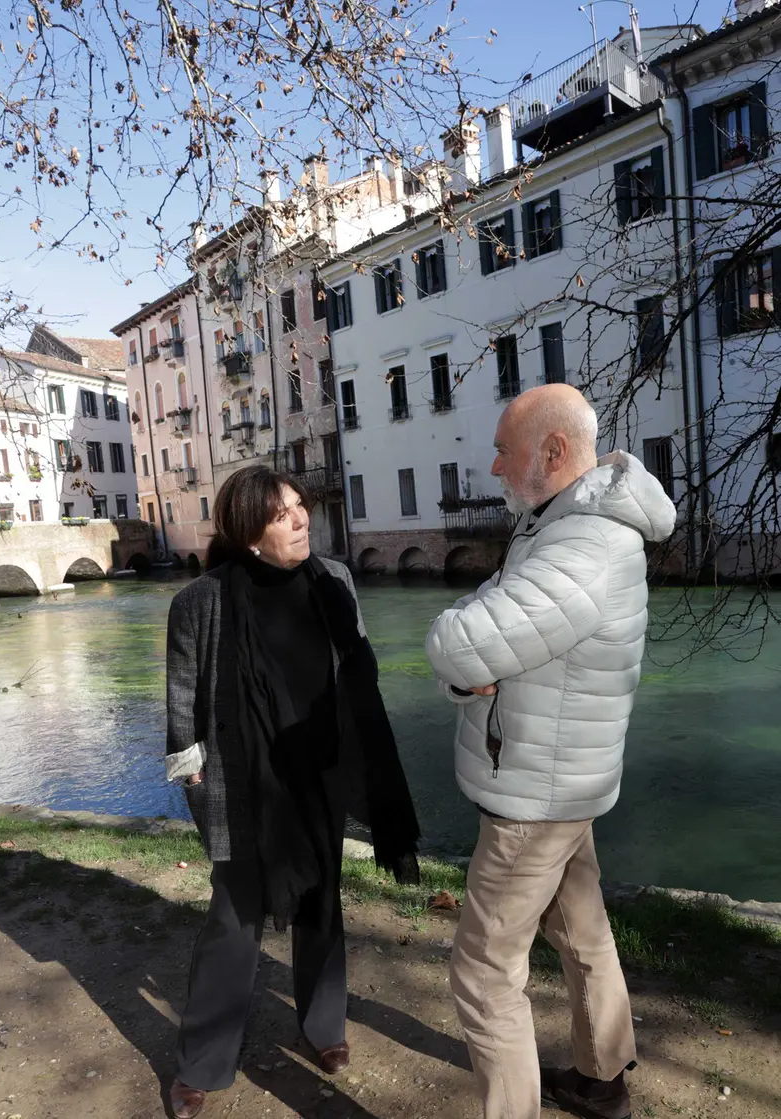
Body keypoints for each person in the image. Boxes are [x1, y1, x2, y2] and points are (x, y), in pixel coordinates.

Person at [425, 384, 676, 1119]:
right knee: (581, 929)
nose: (496, 466)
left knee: (483, 967)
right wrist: (476, 667)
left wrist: (468, 664)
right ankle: (601, 1079)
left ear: (554, 451)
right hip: (563, 781)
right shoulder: (563, 524)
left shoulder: (584, 545)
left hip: (536, 798)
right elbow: (491, 628)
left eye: (505, 450)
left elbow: (457, 640)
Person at [165, 465, 420, 1119]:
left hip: (319, 774)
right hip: (242, 783)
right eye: (283, 513)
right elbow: (181, 705)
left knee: (322, 902)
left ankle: (323, 1024)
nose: (303, 518)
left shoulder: (333, 580)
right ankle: (203, 1061)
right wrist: (192, 780)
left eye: (302, 506)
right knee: (233, 922)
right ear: (250, 532)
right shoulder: (199, 600)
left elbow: (356, 671)